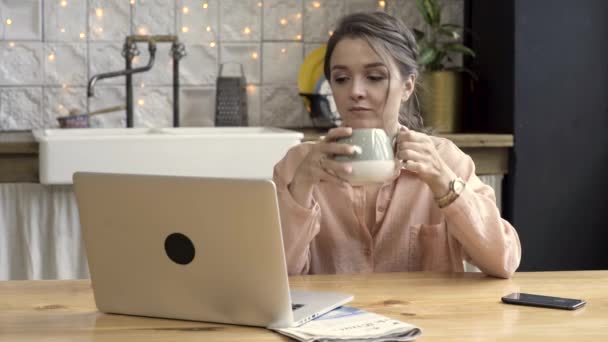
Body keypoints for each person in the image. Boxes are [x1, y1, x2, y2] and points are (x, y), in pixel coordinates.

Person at [273, 12, 521, 278]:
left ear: (407, 86)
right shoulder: (299, 164)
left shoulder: (444, 159)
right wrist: (301, 187)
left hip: (426, 318)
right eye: (342, 78)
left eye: (375, 77)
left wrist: (445, 184)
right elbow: (273, 277)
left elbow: (503, 262)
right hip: (329, 319)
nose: (355, 91)